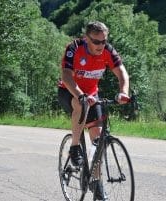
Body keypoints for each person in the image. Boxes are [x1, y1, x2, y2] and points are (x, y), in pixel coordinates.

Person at [58, 21, 130, 200]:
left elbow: (122, 72)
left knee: (97, 141)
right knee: (81, 104)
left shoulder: (108, 50)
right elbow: (66, 76)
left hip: (92, 94)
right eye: (96, 42)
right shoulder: (74, 48)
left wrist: (123, 92)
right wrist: (81, 95)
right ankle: (75, 147)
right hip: (69, 91)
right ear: (86, 38)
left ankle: (95, 182)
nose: (101, 45)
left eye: (104, 41)